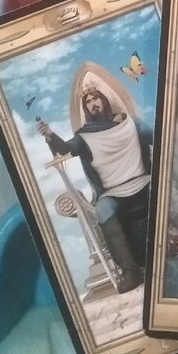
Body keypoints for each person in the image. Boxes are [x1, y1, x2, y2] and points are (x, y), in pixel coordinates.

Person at [37, 87, 153, 293]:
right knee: (103, 208)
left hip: (145, 182)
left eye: (95, 98)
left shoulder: (130, 123)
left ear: (104, 100)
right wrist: (50, 135)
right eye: (88, 102)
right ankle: (131, 271)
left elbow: (157, 137)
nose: (93, 103)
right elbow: (65, 149)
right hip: (114, 193)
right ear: (86, 109)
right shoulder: (84, 136)